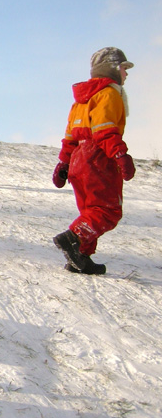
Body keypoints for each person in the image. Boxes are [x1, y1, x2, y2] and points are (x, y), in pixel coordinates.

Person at [51, 47, 135, 275]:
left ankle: (80, 257)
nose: (126, 73)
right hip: (98, 158)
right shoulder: (108, 94)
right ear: (112, 68)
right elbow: (105, 131)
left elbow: (70, 136)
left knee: (90, 210)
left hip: (79, 159)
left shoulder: (80, 101)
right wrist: (120, 155)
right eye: (123, 68)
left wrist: (64, 163)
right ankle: (73, 238)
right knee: (108, 211)